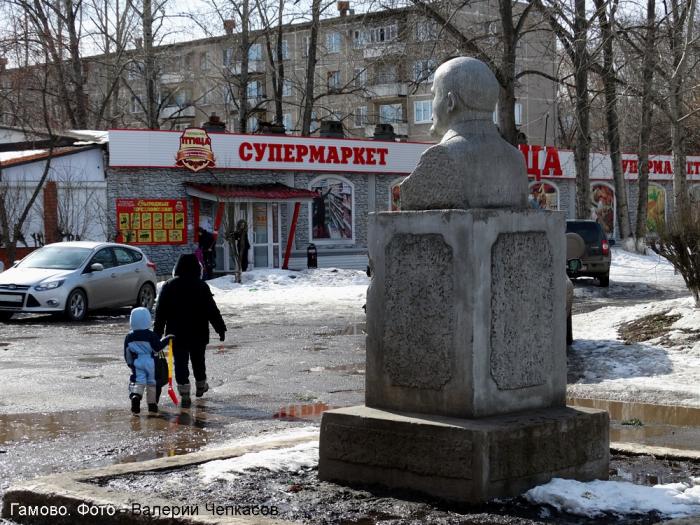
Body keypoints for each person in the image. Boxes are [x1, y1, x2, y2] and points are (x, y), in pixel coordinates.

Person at [399, 57, 528, 211]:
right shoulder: (516, 159)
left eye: (434, 96)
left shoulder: (440, 157)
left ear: (450, 102)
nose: (431, 112)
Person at [154, 253, 226, 408]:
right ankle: (201, 386)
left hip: (176, 334)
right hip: (198, 334)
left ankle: (184, 392)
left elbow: (160, 314)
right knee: (199, 361)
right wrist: (220, 329)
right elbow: (212, 310)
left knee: (180, 363)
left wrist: (156, 335)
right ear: (196, 268)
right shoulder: (201, 286)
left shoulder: (169, 286)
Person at [124, 307, 173, 415]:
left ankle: (136, 396)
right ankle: (152, 404)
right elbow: (157, 348)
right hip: (151, 362)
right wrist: (167, 339)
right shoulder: (151, 335)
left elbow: (127, 353)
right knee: (152, 383)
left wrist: (130, 364)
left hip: (137, 362)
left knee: (138, 381)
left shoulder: (129, 337)